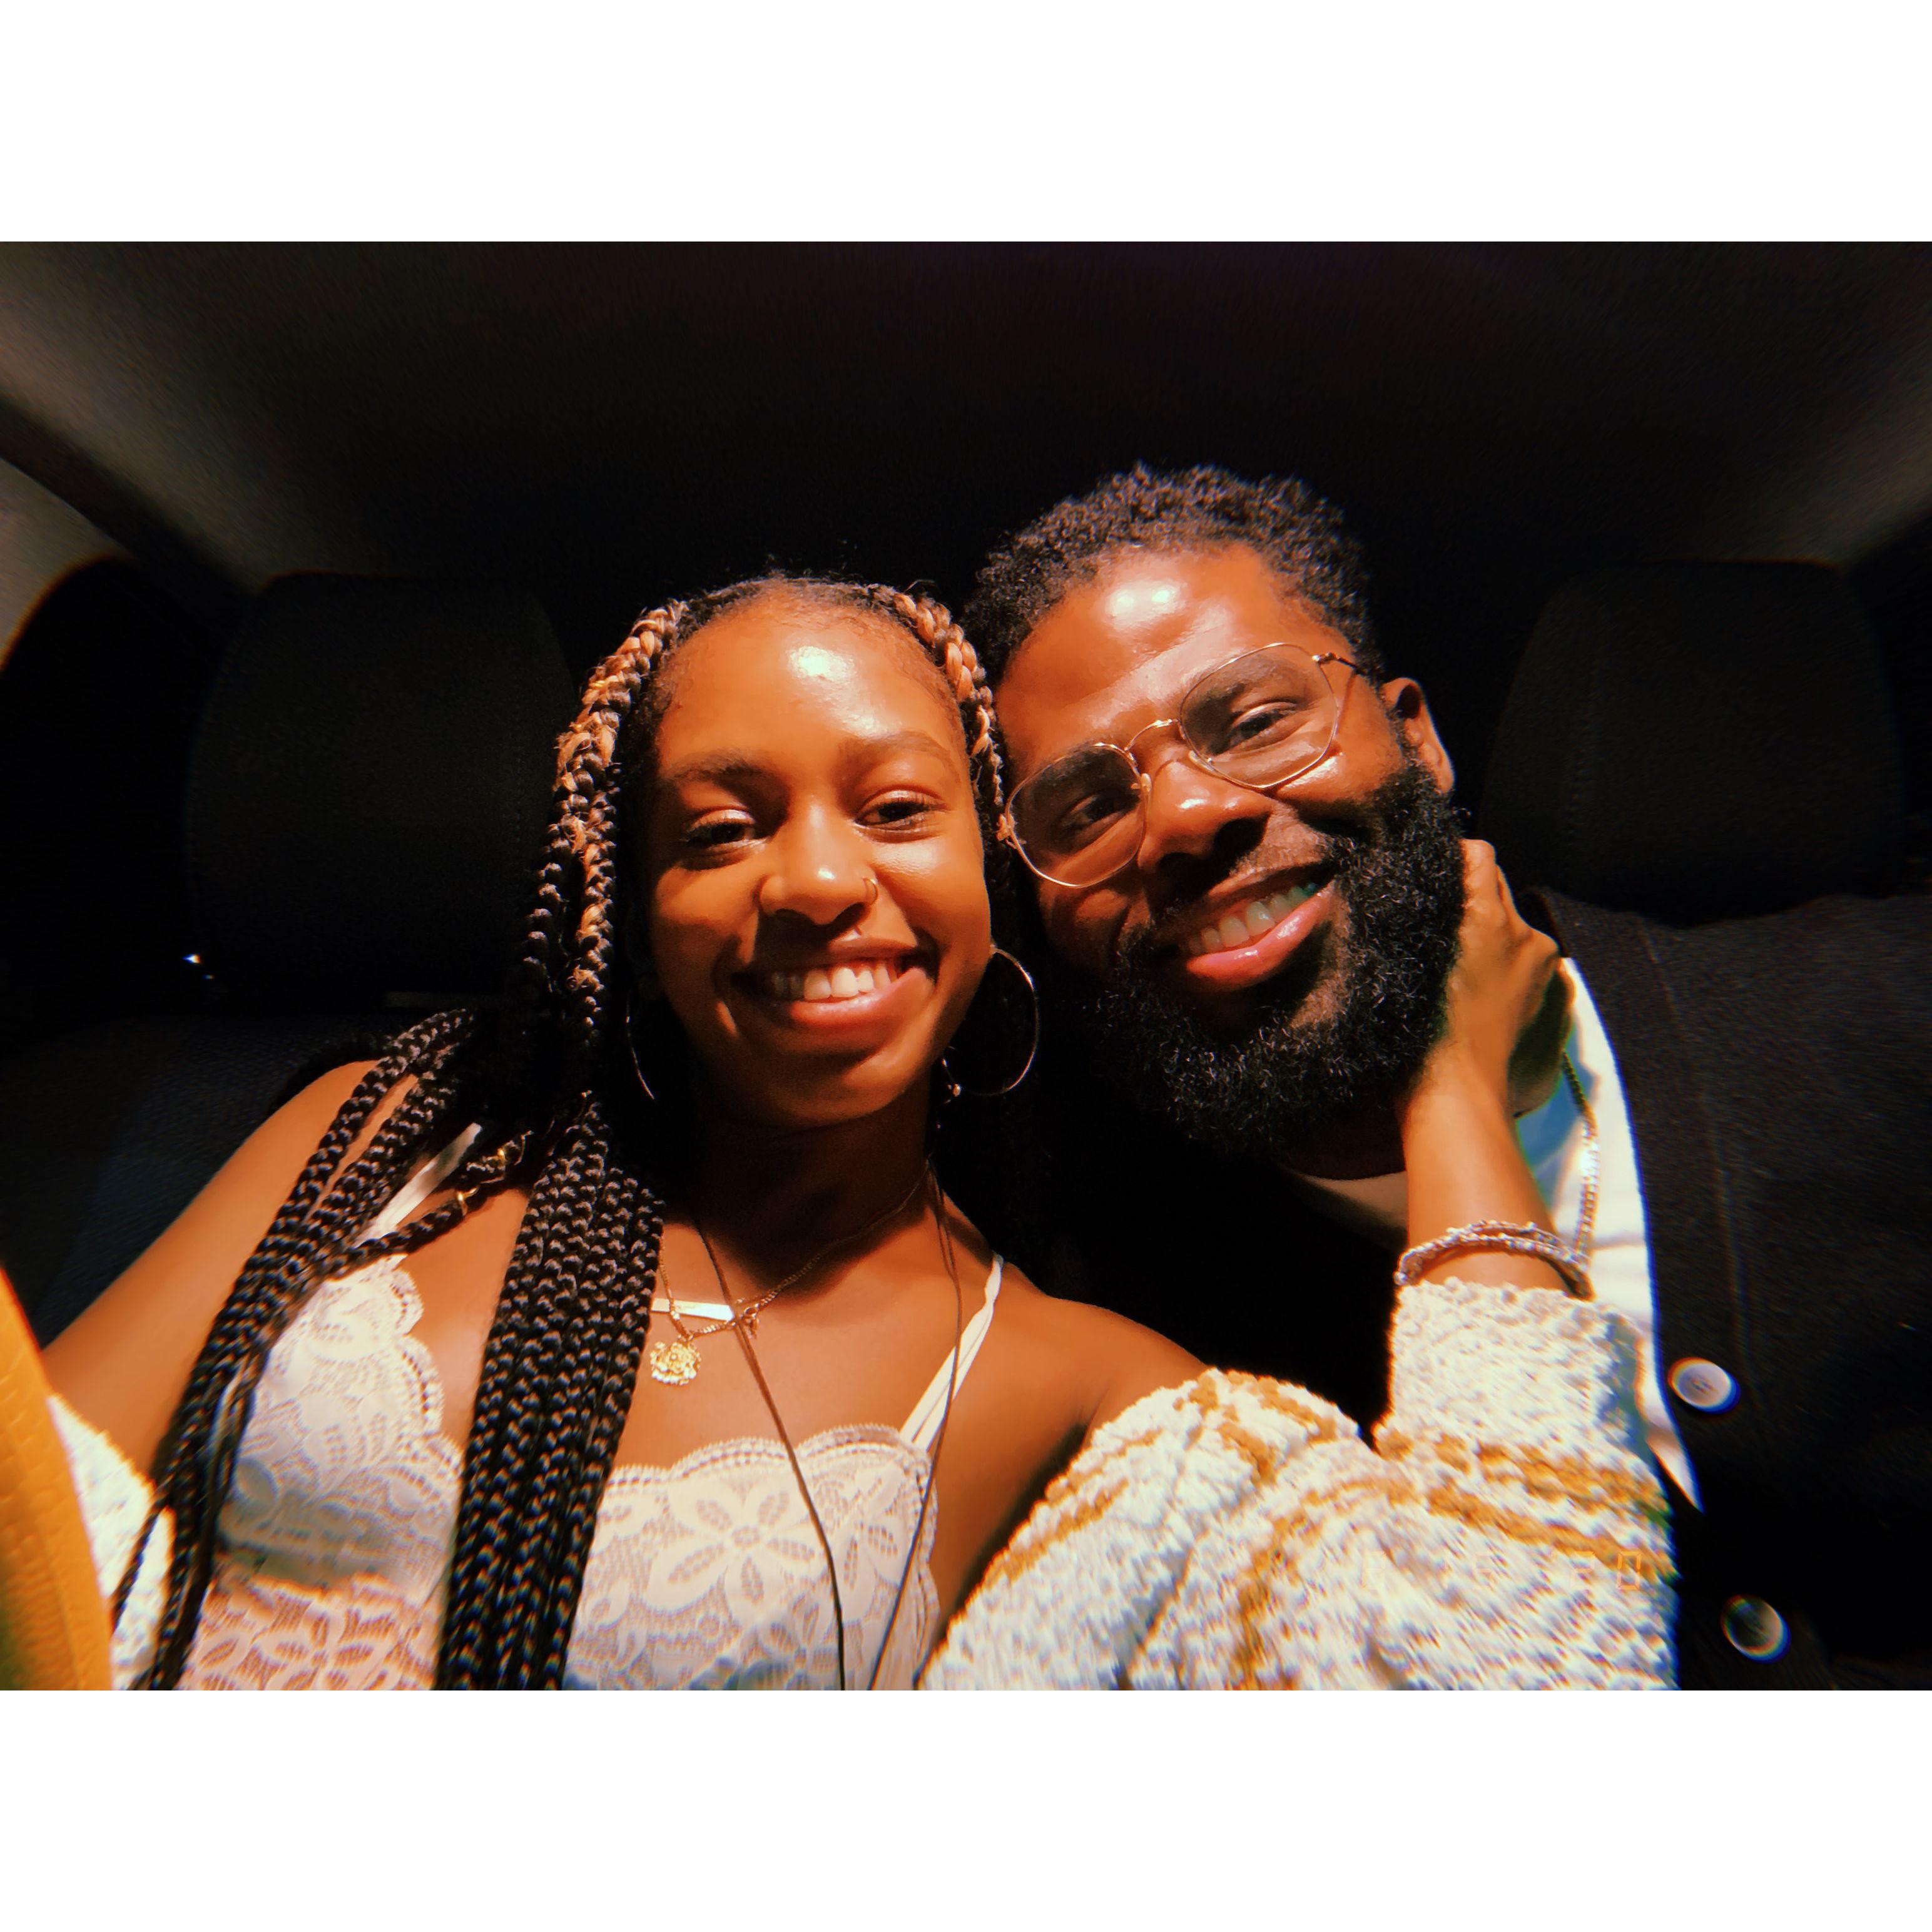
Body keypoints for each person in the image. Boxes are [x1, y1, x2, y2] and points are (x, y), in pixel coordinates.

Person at [39, 571, 1669, 1690]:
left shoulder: (1096, 1395)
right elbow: (33, 1520)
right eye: (720, 828)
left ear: (991, 892)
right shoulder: (394, 1131)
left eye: (895, 810)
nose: (818, 881)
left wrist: (1448, 1084)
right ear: (631, 909)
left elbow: (1516, 1686)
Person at [962, 462, 1932, 1689]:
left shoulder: (1889, 1002)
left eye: (1254, 721)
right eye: (1085, 806)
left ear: (1415, 738)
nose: (1186, 815)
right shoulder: (1127, 1341)